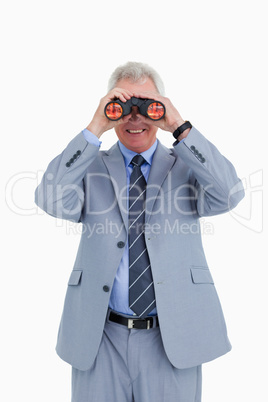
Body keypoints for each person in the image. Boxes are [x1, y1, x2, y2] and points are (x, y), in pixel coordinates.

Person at [35, 61, 245, 402]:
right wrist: (95, 126)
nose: (136, 117)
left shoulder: (186, 167)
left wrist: (179, 125)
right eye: (124, 107)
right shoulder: (91, 168)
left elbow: (230, 193)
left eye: (147, 105)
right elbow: (49, 198)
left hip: (171, 339)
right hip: (100, 339)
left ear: (161, 107)